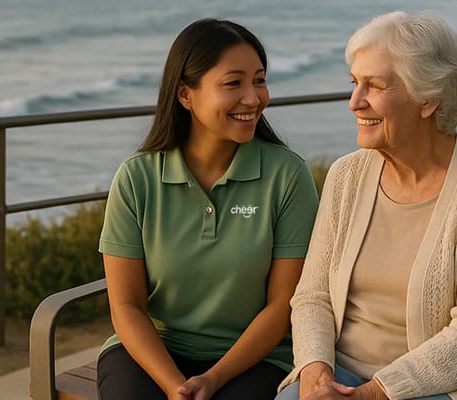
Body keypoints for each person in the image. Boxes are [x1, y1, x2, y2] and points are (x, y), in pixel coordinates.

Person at [276, 11, 457, 400]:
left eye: (374, 86)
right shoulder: (346, 175)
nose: (354, 102)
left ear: (428, 99)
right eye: (354, 83)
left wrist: (373, 393)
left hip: (456, 386)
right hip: (341, 377)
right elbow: (314, 297)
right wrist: (315, 374)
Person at [96, 18, 320, 400]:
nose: (253, 98)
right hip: (154, 353)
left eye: (259, 80)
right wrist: (173, 386)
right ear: (186, 95)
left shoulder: (288, 175)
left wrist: (214, 378)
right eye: (234, 83)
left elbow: (283, 305)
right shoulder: (137, 179)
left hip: (259, 359)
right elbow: (127, 305)